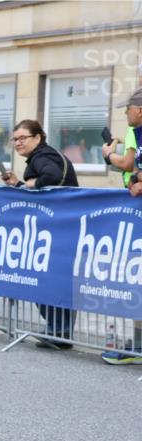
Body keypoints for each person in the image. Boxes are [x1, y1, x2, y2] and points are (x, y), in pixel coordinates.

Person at [1, 119, 79, 349]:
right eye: (15, 139)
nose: (17, 143)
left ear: (37, 137)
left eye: (22, 138)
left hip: (56, 228)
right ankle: (59, 330)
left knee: (44, 276)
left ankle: (59, 330)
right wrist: (19, 184)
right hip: (56, 226)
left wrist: (32, 182)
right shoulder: (44, 155)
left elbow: (51, 177)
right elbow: (42, 189)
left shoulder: (43, 156)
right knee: (49, 277)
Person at [100, 87, 142, 366]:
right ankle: (138, 345)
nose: (125, 113)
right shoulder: (138, 133)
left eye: (128, 109)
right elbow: (135, 167)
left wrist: (109, 157)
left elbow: (128, 163)